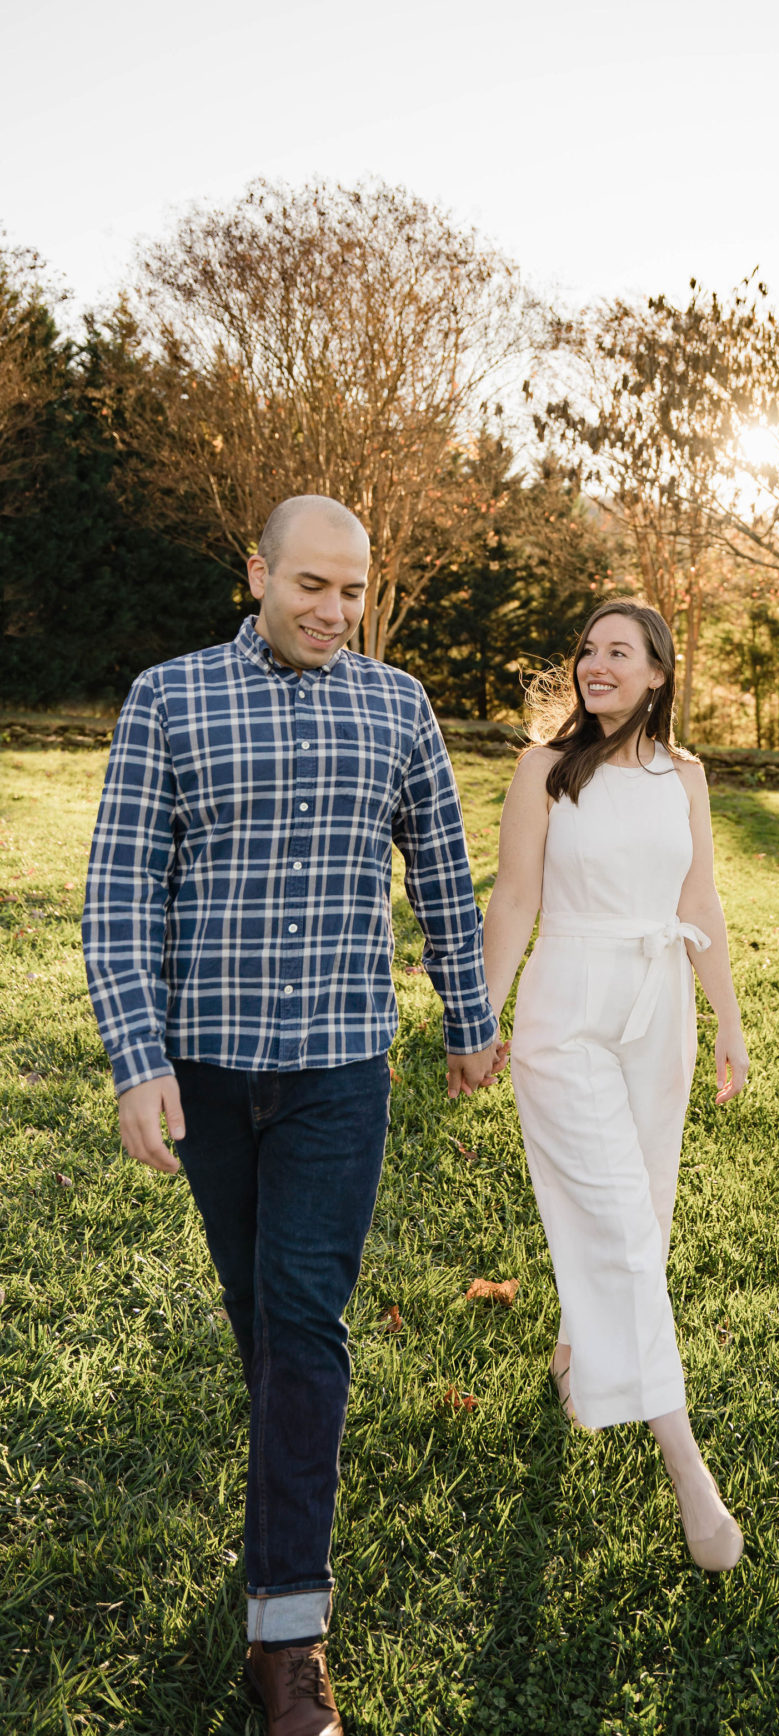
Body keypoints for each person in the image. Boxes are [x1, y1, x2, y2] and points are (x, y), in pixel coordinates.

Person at [82, 496, 501, 1736]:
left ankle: (286, 1634)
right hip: (207, 1072)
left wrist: (469, 1016)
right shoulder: (168, 698)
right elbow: (119, 892)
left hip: (338, 1073)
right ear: (254, 571)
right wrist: (134, 1059)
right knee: (259, 1321)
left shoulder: (399, 705)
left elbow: (439, 862)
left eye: (353, 589)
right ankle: (282, 1519)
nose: (333, 609)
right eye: (310, 583)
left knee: (306, 1325)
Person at [483, 600, 751, 1572]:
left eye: (617, 652)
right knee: (626, 1239)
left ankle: (574, 1339)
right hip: (566, 1011)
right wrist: (479, 1016)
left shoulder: (685, 775)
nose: (595, 664)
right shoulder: (543, 770)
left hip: (661, 1006)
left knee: (643, 1209)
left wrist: (726, 1015)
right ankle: (689, 1473)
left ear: (656, 675)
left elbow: (699, 896)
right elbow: (513, 896)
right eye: (586, 649)